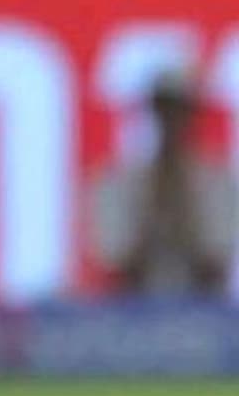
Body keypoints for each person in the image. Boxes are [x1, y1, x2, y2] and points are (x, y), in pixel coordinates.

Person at [91, 68, 238, 298]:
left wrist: (180, 206)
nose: (172, 119)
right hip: (133, 309)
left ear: (192, 114)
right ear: (153, 112)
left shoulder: (219, 182)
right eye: (165, 109)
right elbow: (115, 260)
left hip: (202, 309)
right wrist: (155, 204)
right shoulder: (116, 180)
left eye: (179, 110)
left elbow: (216, 260)